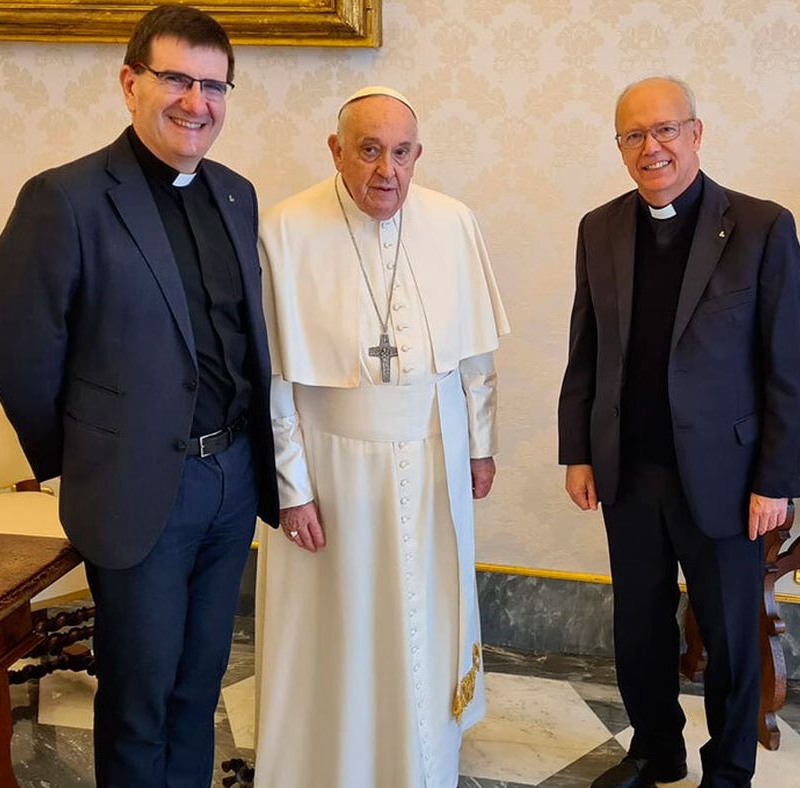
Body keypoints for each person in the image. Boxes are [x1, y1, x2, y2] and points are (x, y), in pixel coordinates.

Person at [0, 5, 278, 785]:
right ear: (130, 83)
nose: (196, 102)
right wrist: (86, 460)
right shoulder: (66, 199)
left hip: (231, 477)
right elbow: (17, 356)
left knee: (199, 684)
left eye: (214, 86)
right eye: (176, 78)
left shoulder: (236, 195)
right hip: (138, 486)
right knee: (140, 696)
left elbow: (241, 339)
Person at [557, 76, 800, 788]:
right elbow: (587, 346)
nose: (652, 148)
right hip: (629, 469)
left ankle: (728, 772)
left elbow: (789, 365)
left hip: (727, 479)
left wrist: (775, 480)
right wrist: (578, 451)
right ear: (620, 147)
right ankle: (655, 750)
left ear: (696, 134)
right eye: (634, 135)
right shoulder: (599, 228)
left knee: (730, 635)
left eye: (665, 130)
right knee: (639, 626)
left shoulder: (761, 227)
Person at [252, 86, 508, 788]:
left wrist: (480, 446)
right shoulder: (283, 229)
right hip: (331, 468)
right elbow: (273, 378)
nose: (386, 171)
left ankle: (424, 760)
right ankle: (329, 765)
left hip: (434, 457)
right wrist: (291, 490)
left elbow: (476, 358)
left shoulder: (452, 222)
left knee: (426, 613)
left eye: (400, 153)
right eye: (368, 150)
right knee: (342, 622)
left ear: (418, 154)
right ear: (336, 151)